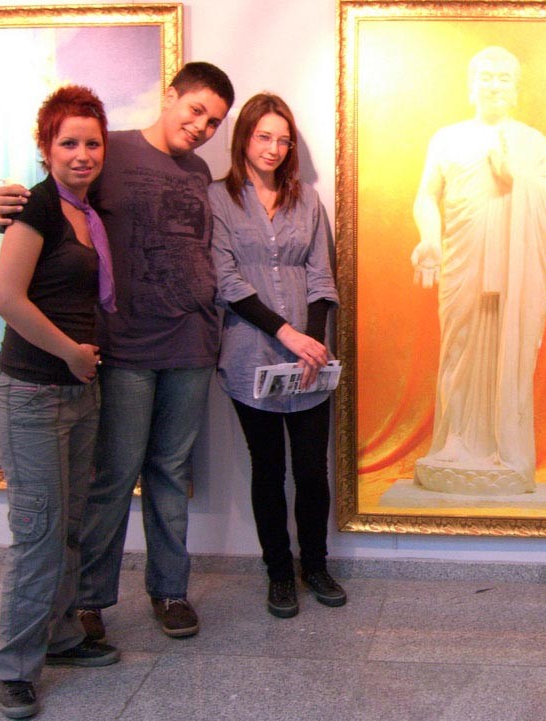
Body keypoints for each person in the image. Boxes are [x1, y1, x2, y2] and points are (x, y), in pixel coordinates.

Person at [0, 62, 235, 643]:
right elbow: (51, 202)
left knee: (171, 473)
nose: (201, 127)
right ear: (170, 96)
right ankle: (89, 600)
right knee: (114, 476)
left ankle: (170, 591)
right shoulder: (109, 150)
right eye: (196, 110)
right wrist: (3, 203)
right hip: (124, 347)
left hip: (192, 345)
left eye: (214, 122)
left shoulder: (200, 170)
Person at [0, 85, 119, 720]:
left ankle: (62, 636)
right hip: (32, 394)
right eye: (69, 142)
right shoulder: (36, 207)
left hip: (78, 393)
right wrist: (71, 353)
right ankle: (14, 667)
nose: (82, 153)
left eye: (92, 142)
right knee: (38, 535)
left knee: (67, 527)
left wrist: (80, 367)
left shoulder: (86, 213)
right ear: (46, 148)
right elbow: (6, 299)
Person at [409, 46, 546, 496]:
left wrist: (517, 176)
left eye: (504, 78)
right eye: (486, 76)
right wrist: (430, 238)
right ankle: (454, 444)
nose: (495, 85)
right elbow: (426, 196)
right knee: (459, 348)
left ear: (516, 90)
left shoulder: (532, 143)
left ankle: (504, 449)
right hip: (462, 257)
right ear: (471, 85)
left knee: (508, 350)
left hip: (513, 266)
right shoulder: (447, 139)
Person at [209, 93, 343, 618]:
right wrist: (287, 335)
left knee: (311, 471)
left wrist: (311, 344)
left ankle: (316, 565)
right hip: (249, 354)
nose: (274, 148)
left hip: (309, 358)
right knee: (267, 469)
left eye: (283, 140)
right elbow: (226, 280)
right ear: (244, 137)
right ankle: (279, 573)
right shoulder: (217, 198)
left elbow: (321, 275)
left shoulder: (307, 200)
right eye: (264, 136)